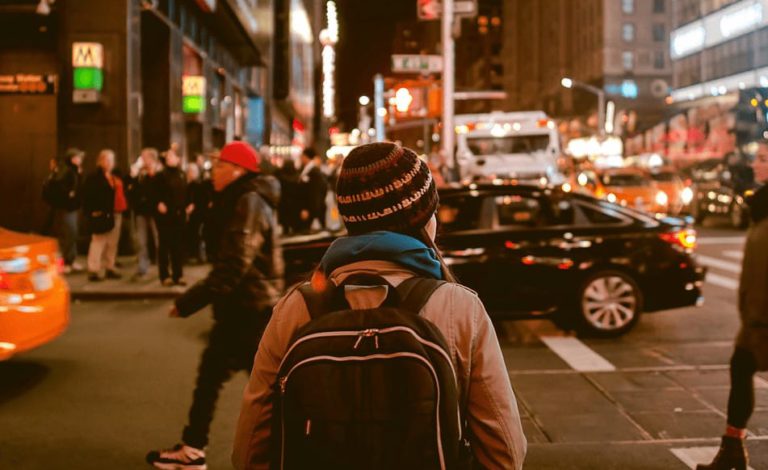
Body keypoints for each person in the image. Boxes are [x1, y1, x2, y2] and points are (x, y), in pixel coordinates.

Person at [232, 142, 527, 469]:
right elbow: (505, 452)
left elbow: (248, 451)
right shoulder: (459, 307)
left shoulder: (296, 307)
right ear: (422, 220)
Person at [146, 141, 283, 470]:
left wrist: (189, 301)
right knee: (219, 380)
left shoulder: (248, 201)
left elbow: (235, 263)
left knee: (267, 389)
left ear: (237, 170)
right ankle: (193, 448)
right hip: (243, 307)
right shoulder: (240, 198)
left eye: (220, 166)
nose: (213, 172)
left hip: (249, 309)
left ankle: (297, 449)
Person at [697, 141, 768, 470]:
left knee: (741, 367)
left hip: (763, 319)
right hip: (756, 317)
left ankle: (732, 450)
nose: (755, 164)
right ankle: (732, 448)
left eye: (763, 159)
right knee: (740, 368)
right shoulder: (761, 207)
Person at [154, 148, 192, 286]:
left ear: (178, 159)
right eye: (168, 156)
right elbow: (155, 193)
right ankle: (165, 276)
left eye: (172, 156)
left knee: (178, 245)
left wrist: (189, 204)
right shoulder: (160, 175)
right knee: (164, 245)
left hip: (179, 214)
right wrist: (158, 203)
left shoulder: (182, 174)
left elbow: (186, 191)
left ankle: (178, 274)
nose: (169, 158)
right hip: (166, 215)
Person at [43, 148, 84, 273]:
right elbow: (59, 185)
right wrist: (69, 193)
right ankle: (65, 262)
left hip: (72, 207)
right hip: (67, 207)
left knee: (72, 233)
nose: (80, 159)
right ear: (73, 158)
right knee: (68, 233)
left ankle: (70, 259)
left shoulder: (74, 170)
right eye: (78, 157)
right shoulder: (67, 170)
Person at [83, 149, 121, 281]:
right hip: (100, 213)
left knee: (112, 243)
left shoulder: (114, 176)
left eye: (112, 160)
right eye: (107, 160)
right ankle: (93, 269)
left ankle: (109, 266)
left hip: (115, 212)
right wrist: (92, 211)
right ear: (100, 161)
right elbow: (87, 195)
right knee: (98, 241)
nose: (110, 163)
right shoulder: (93, 177)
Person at [128, 148, 161, 281]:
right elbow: (133, 191)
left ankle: (162, 266)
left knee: (159, 239)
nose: (142, 160)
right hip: (141, 211)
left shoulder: (158, 173)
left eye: (144, 157)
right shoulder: (140, 173)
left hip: (155, 211)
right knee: (141, 241)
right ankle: (142, 267)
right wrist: (133, 177)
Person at [186, 163, 214, 264]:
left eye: (193, 171)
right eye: (190, 171)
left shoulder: (200, 185)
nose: (191, 173)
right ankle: (197, 255)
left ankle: (202, 255)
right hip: (194, 215)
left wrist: (194, 205)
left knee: (200, 235)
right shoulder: (188, 185)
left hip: (200, 214)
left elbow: (203, 200)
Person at [297, 147, 328, 232]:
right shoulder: (307, 169)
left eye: (302, 156)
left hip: (311, 211)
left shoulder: (314, 172)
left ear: (305, 156)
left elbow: (315, 193)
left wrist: (309, 210)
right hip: (309, 209)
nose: (300, 158)